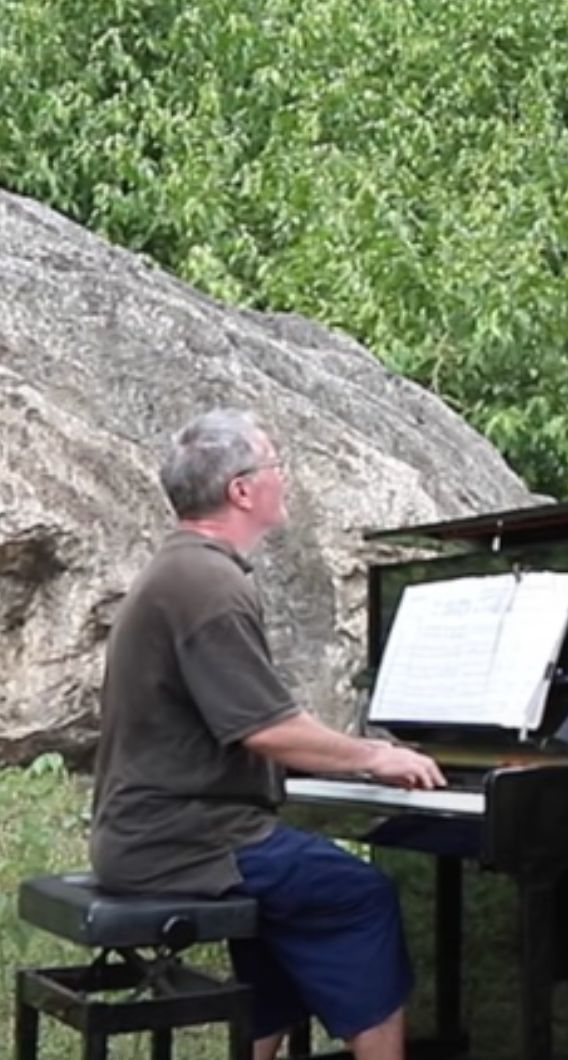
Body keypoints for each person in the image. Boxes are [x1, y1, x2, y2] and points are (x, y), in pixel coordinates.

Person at [90, 408, 446, 1060]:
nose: (286, 478)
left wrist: (345, 757)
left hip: (161, 833)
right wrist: (375, 756)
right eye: (277, 465)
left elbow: (250, 727)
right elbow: (267, 730)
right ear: (242, 490)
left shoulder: (186, 570)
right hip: (183, 842)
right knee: (358, 894)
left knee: (293, 903)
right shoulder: (207, 582)